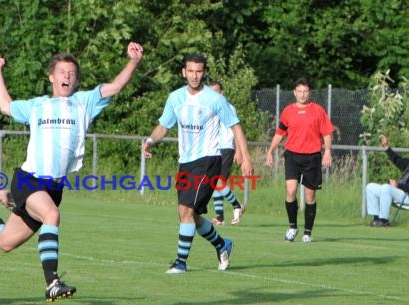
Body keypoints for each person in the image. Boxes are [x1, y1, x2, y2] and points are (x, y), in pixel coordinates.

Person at [0, 42, 144, 301]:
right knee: (52, 215)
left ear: (76, 81)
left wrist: (133, 61)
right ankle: (52, 282)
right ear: (51, 77)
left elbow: (116, 86)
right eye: (62, 71)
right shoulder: (37, 106)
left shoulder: (84, 103)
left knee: (5, 242)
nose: (67, 76)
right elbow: (5, 105)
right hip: (28, 180)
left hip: (54, 188)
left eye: (72, 73)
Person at [142, 53, 253, 273]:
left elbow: (235, 126)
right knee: (190, 214)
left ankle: (180, 263)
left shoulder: (215, 99)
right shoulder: (175, 98)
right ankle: (222, 244)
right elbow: (164, 125)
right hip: (186, 162)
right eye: (190, 71)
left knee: (185, 210)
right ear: (183, 72)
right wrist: (150, 140)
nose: (194, 75)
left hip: (209, 160)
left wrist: (246, 156)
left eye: (199, 71)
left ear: (204, 72)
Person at [265, 77, 334, 243]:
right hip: (292, 156)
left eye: (305, 91)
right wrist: (270, 151)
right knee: (290, 191)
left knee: (310, 196)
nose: (302, 95)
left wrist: (328, 151)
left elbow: (326, 132)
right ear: (294, 93)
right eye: (299, 91)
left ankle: (308, 232)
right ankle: (293, 226)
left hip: (312, 157)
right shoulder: (288, 111)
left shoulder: (318, 110)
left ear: (309, 92)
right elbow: (280, 133)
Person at [208, 81, 245, 226]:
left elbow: (236, 129)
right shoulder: (208, 108)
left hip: (226, 148)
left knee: (218, 182)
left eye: (216, 91)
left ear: (222, 93)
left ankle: (237, 206)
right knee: (215, 183)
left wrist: (239, 150)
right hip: (212, 149)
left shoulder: (229, 108)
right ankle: (220, 218)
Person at [366, 135, 409, 226]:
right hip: (401, 193)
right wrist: (386, 147)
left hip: (406, 196)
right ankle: (376, 219)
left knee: (386, 188)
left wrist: (397, 185)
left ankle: (384, 221)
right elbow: (397, 160)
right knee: (370, 187)